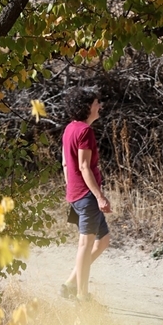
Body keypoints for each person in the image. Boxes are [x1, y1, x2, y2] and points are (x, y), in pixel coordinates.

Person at [60, 87, 110, 302]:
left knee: (103, 240)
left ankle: (70, 284)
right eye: (97, 103)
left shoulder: (70, 128)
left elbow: (65, 163)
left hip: (76, 195)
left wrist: (70, 186)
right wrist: (99, 196)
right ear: (87, 107)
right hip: (87, 196)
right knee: (85, 245)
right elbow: (83, 166)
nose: (100, 106)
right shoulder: (85, 131)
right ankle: (82, 296)